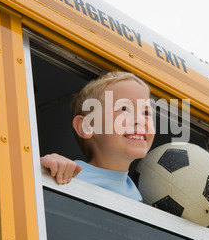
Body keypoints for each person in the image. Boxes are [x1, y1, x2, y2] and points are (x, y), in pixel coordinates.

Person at [40, 71, 154, 202]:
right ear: (87, 126)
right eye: (124, 109)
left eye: (146, 112)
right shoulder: (68, 173)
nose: (140, 120)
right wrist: (44, 167)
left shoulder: (138, 196)